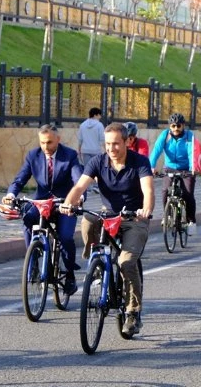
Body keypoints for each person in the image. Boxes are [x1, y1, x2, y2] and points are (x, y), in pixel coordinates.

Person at [61, 122, 154, 337]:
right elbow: (79, 187)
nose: (111, 149)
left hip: (134, 218)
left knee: (126, 262)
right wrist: (69, 203)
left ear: (127, 142)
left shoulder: (139, 162)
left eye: (116, 144)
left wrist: (145, 210)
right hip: (109, 214)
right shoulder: (98, 162)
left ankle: (132, 312)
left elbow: (148, 189)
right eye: (108, 144)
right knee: (87, 220)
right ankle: (95, 261)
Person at [3, 124, 83, 294]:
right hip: (41, 202)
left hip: (65, 204)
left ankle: (69, 274)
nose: (46, 147)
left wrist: (78, 198)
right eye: (42, 143)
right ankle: (33, 260)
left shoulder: (69, 155)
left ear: (58, 140)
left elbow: (78, 180)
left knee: (65, 237)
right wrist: (11, 194)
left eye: (49, 142)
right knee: (26, 219)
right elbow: (20, 179)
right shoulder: (33, 155)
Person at [149, 112, 198, 235]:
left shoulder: (188, 136)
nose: (176, 128)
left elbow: (192, 152)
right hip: (170, 168)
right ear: (169, 126)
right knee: (165, 191)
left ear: (183, 126)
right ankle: (168, 216)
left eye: (178, 126)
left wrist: (192, 168)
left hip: (186, 169)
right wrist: (151, 166)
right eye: (173, 126)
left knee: (188, 193)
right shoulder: (165, 135)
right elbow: (156, 150)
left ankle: (191, 221)